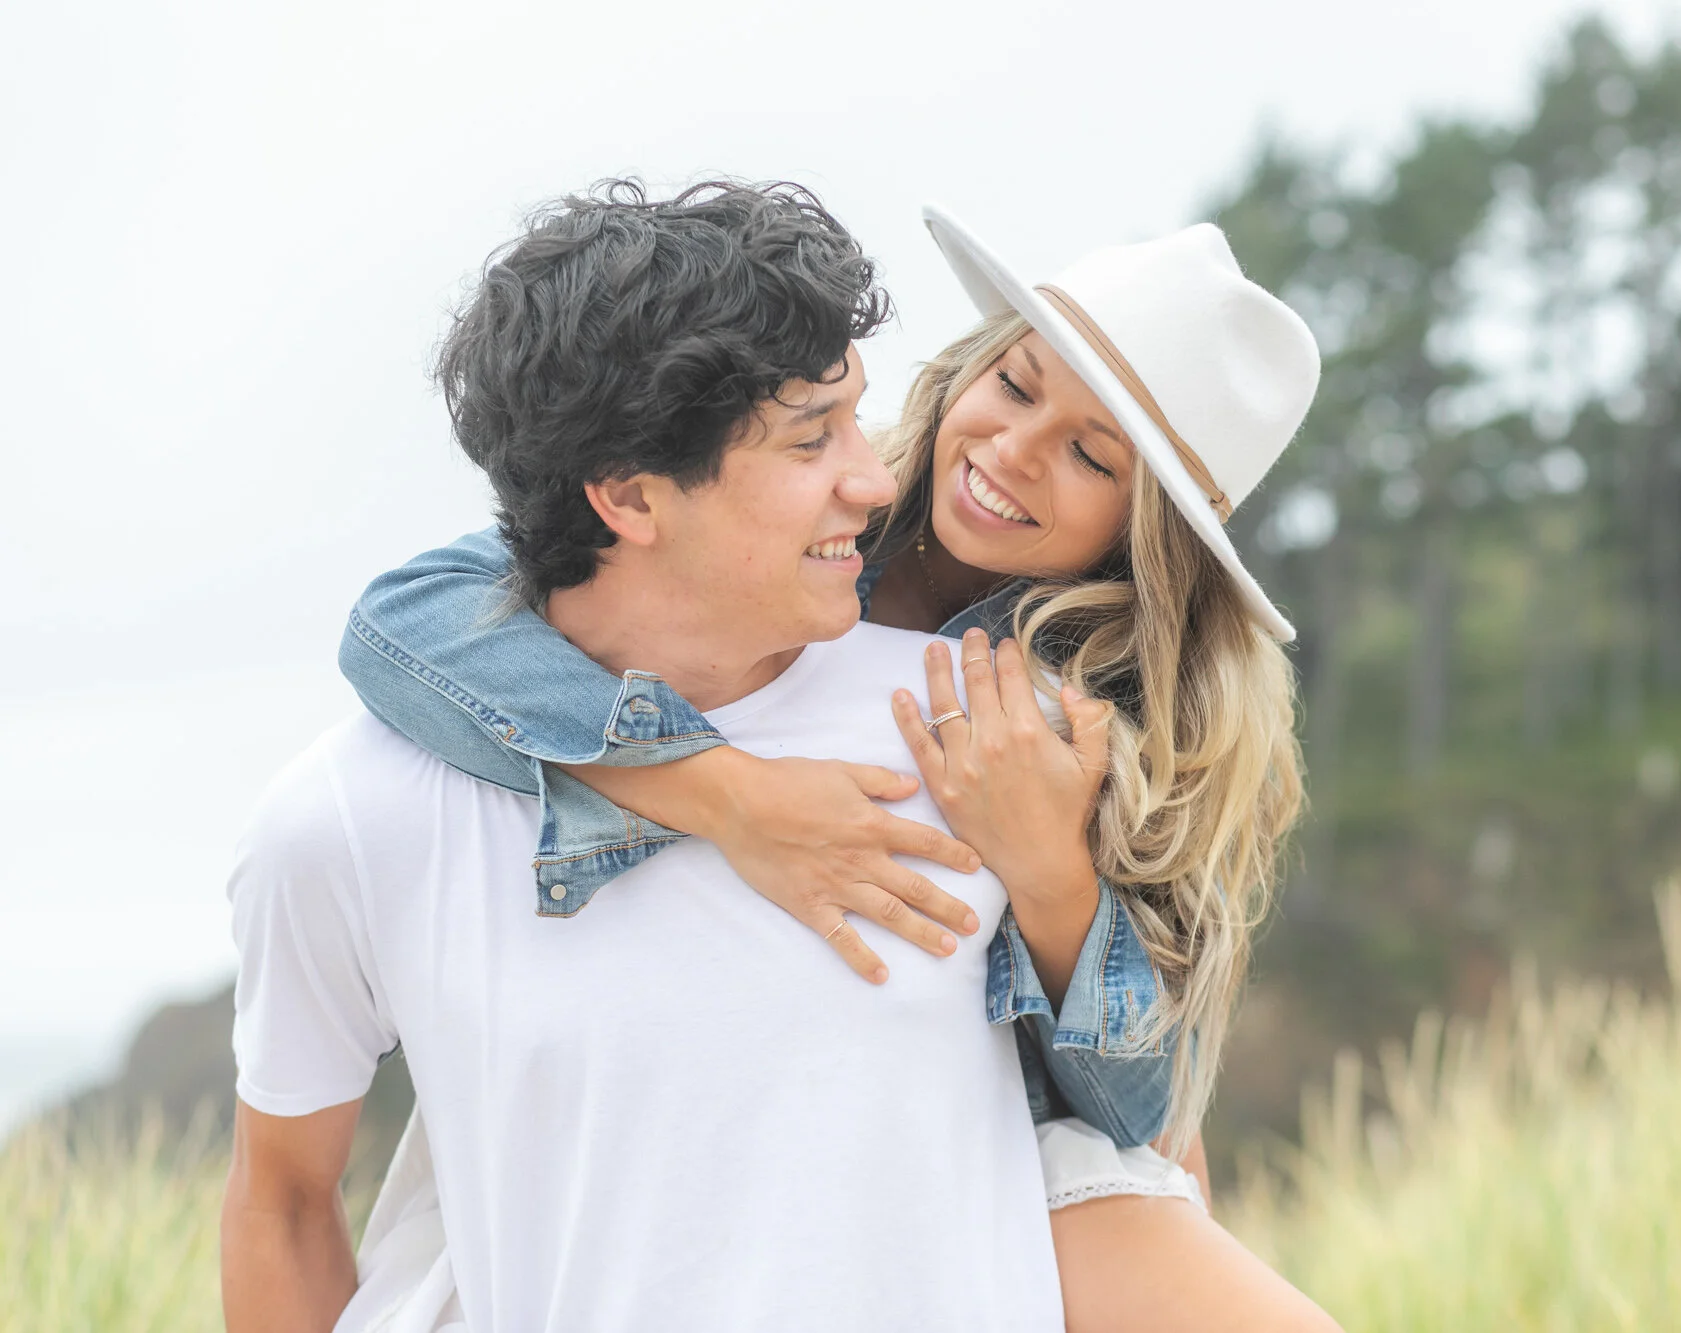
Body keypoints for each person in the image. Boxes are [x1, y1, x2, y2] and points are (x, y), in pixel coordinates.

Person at [336, 185, 1338, 1331]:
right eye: (1014, 387)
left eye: (1088, 456)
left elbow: (1143, 1108)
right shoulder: (791, 514)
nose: (1013, 450)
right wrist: (730, 797)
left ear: (1145, 530)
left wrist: (1051, 873)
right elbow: (407, 619)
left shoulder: (1118, 722)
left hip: (950, 1178)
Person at [227, 180, 1074, 1332]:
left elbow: (1142, 1153)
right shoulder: (349, 816)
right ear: (628, 496)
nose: (876, 481)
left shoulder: (988, 731)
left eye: (855, 419)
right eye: (809, 438)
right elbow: (281, 1201)